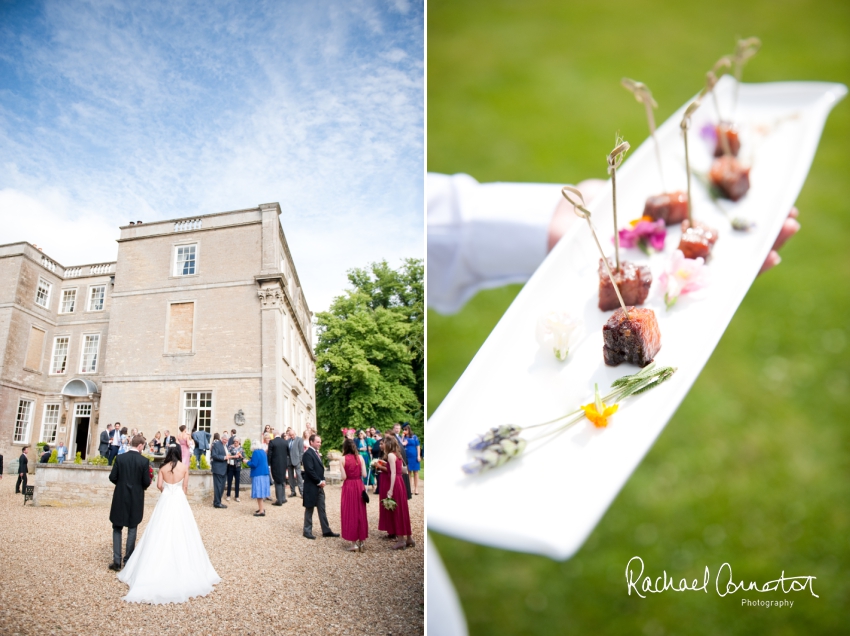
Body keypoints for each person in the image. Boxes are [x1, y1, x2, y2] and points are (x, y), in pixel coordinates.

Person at [116, 445, 221, 603]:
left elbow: (159, 486)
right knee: (183, 531)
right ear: (179, 454)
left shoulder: (163, 468)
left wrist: (166, 491)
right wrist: (178, 493)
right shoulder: (184, 467)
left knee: (159, 530)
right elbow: (185, 487)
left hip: (166, 498)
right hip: (178, 498)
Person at [108, 435, 151, 571]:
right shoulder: (144, 461)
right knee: (132, 527)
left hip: (120, 495)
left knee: (117, 527)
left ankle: (116, 561)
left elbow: (112, 477)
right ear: (139, 446)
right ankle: (128, 561)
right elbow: (146, 482)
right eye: (143, 446)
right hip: (136, 497)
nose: (143, 448)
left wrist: (121, 484)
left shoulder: (120, 458)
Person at [301, 434, 339, 540]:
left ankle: (326, 530)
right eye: (318, 442)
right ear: (311, 442)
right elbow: (310, 470)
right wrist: (319, 481)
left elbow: (319, 469)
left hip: (319, 486)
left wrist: (322, 481)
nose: (320, 444)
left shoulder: (316, 453)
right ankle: (307, 530)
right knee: (309, 508)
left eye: (320, 442)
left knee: (322, 509)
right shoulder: (308, 454)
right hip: (311, 486)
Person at [382, 436, 414, 550]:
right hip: (401, 483)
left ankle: (401, 540)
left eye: (384, 443)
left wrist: (390, 490)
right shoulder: (398, 454)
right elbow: (403, 470)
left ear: (388, 444)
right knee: (403, 510)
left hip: (396, 483)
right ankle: (409, 538)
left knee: (398, 512)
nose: (383, 445)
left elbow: (393, 473)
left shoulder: (391, 455)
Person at [340, 438, 368, 552]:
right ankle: (362, 541)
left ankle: (353, 543)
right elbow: (365, 474)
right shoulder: (360, 457)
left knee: (350, 512)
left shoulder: (342, 459)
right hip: (359, 485)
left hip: (349, 486)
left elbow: (343, 477)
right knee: (360, 512)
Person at [246, 439, 270, 517]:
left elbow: (254, 464)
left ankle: (261, 511)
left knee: (259, 493)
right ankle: (261, 508)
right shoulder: (263, 452)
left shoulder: (255, 452)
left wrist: (246, 462)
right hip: (265, 474)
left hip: (258, 474)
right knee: (262, 492)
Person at [267, 430, 289, 506]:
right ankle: (283, 498)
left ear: (274, 434)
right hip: (283, 464)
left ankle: (279, 500)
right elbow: (288, 453)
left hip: (275, 464)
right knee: (283, 480)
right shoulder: (285, 442)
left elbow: (269, 454)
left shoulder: (272, 442)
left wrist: (268, 463)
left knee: (277, 481)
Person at [210, 433, 228, 509]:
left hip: (224, 469)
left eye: (226, 440)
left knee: (222, 486)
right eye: (224, 440)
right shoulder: (217, 444)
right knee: (218, 486)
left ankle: (217, 501)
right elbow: (214, 455)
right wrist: (224, 457)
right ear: (221, 438)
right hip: (218, 469)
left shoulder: (225, 446)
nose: (225, 441)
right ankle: (217, 503)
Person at [403, 424, 422, 496]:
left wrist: (418, 455)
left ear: (409, 430)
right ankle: (409, 488)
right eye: (404, 430)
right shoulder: (404, 438)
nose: (404, 431)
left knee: (416, 472)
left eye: (406, 430)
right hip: (407, 456)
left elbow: (418, 446)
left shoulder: (414, 437)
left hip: (414, 456)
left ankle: (416, 488)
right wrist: (402, 436)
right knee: (409, 472)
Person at [286, 428, 304, 498]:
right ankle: (293, 491)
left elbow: (301, 452)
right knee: (290, 477)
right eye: (290, 435)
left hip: (297, 461)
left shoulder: (299, 440)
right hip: (289, 461)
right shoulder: (288, 441)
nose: (292, 436)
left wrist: (300, 460)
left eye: (292, 435)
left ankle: (302, 492)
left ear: (295, 434)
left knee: (299, 476)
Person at [225, 437, 244, 502]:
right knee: (229, 481)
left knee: (237, 481)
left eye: (237, 442)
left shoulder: (241, 448)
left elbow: (243, 458)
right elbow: (227, 455)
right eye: (235, 441)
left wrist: (241, 456)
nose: (235, 443)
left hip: (238, 466)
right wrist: (234, 456)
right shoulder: (230, 447)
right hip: (231, 465)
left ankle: (237, 496)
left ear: (239, 442)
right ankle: (228, 495)